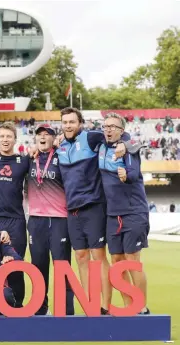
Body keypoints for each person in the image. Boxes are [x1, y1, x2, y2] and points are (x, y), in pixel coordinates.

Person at [57, 107, 129, 315]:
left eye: (72, 122)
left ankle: (105, 306)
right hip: (72, 209)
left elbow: (120, 134)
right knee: (80, 256)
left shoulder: (90, 138)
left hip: (94, 206)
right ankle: (90, 305)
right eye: (65, 122)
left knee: (98, 256)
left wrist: (125, 144)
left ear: (80, 123)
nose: (68, 125)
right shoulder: (60, 146)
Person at [98, 113, 150, 314]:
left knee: (132, 260)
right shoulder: (100, 146)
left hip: (133, 212)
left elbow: (135, 173)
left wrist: (126, 174)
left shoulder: (129, 149)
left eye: (113, 126)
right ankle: (130, 305)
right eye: (106, 126)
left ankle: (142, 307)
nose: (109, 129)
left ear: (122, 131)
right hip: (113, 214)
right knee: (117, 261)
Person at [26, 124, 73, 315]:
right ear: (35, 139)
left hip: (59, 219)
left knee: (62, 265)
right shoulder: (29, 159)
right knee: (38, 266)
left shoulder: (62, 156)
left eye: (47, 135)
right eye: (40, 135)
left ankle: (65, 309)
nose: (43, 137)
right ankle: (40, 308)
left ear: (54, 138)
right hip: (36, 219)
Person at [0, 122, 30, 306]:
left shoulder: (24, 161)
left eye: (8, 136)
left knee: (16, 264)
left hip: (16, 221)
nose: (5, 140)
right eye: (2, 136)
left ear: (14, 139)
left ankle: (18, 306)